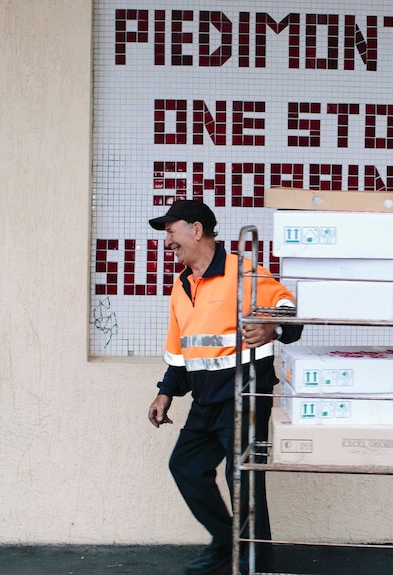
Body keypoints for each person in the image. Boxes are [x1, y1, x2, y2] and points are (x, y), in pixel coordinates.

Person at [147, 200, 302, 575]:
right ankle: (225, 541)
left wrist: (271, 326)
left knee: (246, 485)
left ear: (196, 230)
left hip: (245, 395)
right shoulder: (182, 286)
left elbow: (292, 313)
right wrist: (165, 391)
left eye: (170, 231)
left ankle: (254, 565)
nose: (167, 241)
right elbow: (181, 351)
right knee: (185, 465)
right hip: (206, 400)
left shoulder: (243, 271)